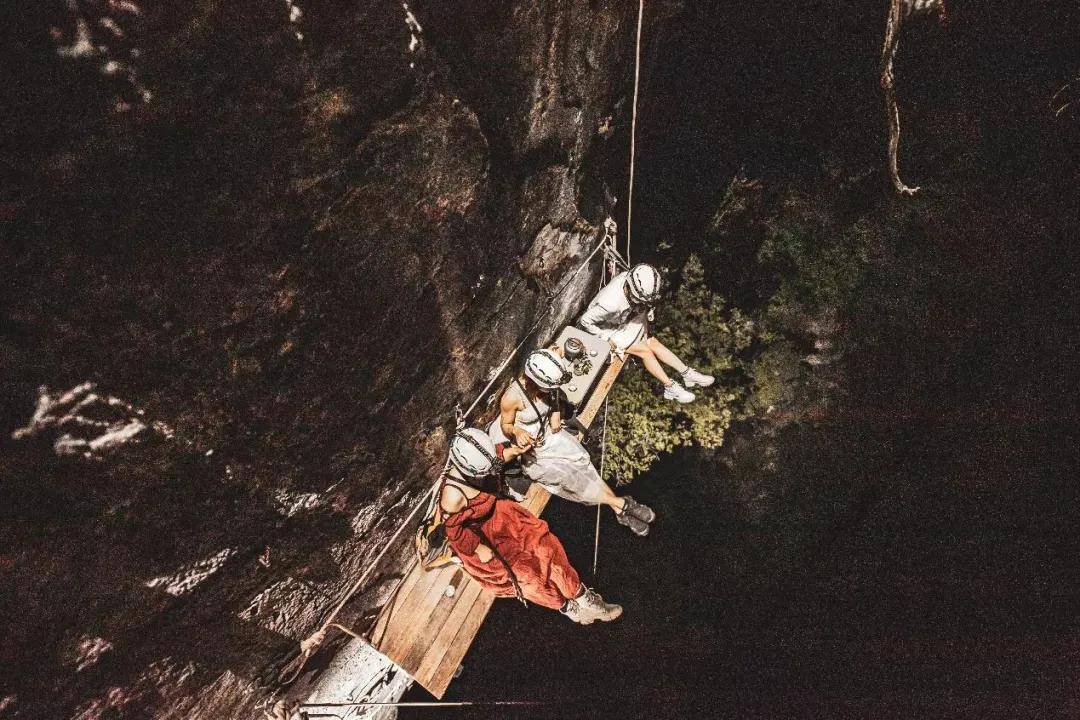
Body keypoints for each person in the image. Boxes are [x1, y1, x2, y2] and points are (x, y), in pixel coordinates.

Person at [441, 428, 622, 624]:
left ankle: (583, 597)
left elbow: (499, 456)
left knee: (547, 549)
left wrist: (518, 449)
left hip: (506, 517)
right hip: (485, 538)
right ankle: (568, 608)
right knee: (528, 575)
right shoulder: (452, 496)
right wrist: (478, 547)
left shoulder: (482, 456)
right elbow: (454, 533)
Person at [491, 348, 655, 537]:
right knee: (573, 479)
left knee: (583, 464)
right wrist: (517, 431)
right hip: (532, 452)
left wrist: (555, 414)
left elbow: (553, 396)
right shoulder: (512, 398)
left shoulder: (548, 387)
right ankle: (623, 505)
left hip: (550, 437)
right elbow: (506, 425)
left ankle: (620, 510)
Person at [578, 263, 714, 403]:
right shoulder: (609, 304)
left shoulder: (632, 279)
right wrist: (605, 338)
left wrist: (648, 310)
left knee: (652, 342)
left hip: (621, 319)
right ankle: (670, 386)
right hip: (605, 330)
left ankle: (687, 373)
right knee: (645, 351)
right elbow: (585, 321)